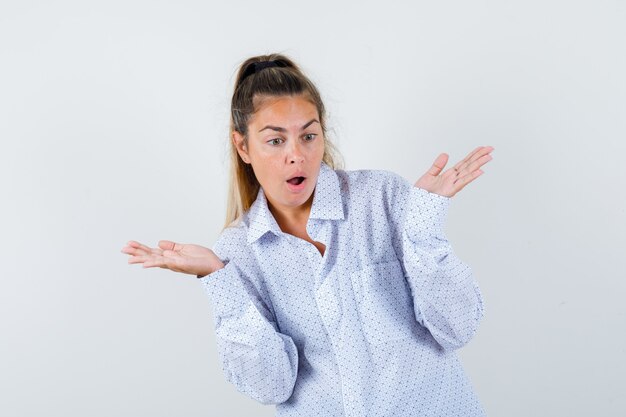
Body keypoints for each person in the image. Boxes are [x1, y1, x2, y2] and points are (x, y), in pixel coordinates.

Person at [121, 53, 494, 416]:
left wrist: (422, 228)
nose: (296, 155)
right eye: (275, 140)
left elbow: (457, 328)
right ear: (242, 146)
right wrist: (218, 278)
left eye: (309, 136)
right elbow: (271, 387)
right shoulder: (238, 252)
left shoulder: (382, 197)